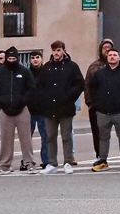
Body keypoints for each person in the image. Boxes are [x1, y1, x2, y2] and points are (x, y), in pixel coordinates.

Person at [29, 40, 85, 173]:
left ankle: (67, 162)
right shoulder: (46, 67)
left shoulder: (72, 67)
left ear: (64, 51)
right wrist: (45, 100)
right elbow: (39, 87)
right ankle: (52, 163)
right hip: (49, 109)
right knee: (50, 137)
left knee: (66, 136)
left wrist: (68, 97)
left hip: (65, 108)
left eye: (59, 50)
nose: (56, 53)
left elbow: (79, 85)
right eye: (54, 50)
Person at [0, 46, 36, 174]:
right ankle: (4, 165)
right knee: (6, 139)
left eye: (14, 58)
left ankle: (29, 163)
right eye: (9, 58)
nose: (11, 60)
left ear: (17, 58)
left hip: (22, 109)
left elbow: (31, 88)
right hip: (5, 110)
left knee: (26, 139)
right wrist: (1, 100)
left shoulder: (24, 71)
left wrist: (23, 100)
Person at [87, 45, 120, 169]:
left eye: (114, 55)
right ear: (107, 58)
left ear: (119, 58)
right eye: (110, 55)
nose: (112, 57)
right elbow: (92, 88)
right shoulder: (100, 73)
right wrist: (96, 103)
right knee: (103, 137)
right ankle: (102, 160)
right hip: (102, 111)